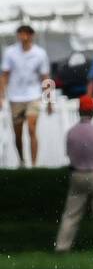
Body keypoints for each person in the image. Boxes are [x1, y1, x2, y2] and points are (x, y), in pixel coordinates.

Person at [54, 96, 93, 253]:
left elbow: (69, 154)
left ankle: (62, 246)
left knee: (71, 214)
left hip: (77, 174)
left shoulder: (71, 133)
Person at [1, 24, 52, 167]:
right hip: (15, 97)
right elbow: (4, 75)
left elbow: (45, 77)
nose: (24, 37)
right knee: (17, 133)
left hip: (33, 95)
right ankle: (22, 161)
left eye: (27, 34)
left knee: (31, 129)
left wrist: (49, 100)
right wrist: (1, 95)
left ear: (31, 36)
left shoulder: (40, 53)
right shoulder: (10, 52)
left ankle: (34, 165)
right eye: (21, 33)